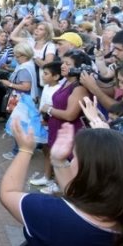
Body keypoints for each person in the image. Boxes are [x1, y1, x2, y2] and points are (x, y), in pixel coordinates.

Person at [0, 120, 123, 246]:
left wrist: (25, 150)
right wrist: (58, 161)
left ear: (88, 172)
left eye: (74, 157)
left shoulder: (50, 215)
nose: (72, 161)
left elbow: (8, 193)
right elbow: (77, 196)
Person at [39, 50, 91, 194]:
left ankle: (67, 189)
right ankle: (55, 181)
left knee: (68, 162)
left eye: (67, 64)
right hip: (58, 128)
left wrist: (49, 110)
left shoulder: (79, 87)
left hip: (71, 131)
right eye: (63, 62)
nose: (62, 66)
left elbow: (70, 115)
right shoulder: (67, 81)